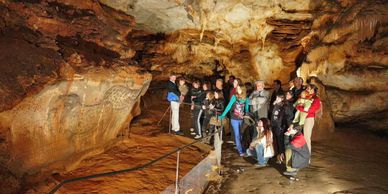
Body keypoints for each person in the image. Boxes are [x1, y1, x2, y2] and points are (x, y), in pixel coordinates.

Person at [219, 85, 250, 156]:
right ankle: (241, 151)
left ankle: (240, 146)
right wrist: (223, 115)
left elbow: (247, 109)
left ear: (243, 90)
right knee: (237, 134)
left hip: (241, 119)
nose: (237, 90)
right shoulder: (234, 97)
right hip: (234, 119)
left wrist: (246, 115)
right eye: (237, 89)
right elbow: (229, 106)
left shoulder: (246, 99)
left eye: (239, 89)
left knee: (241, 134)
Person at [294, 84, 321, 155]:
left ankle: (307, 156)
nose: (307, 89)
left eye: (309, 88)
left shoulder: (316, 99)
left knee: (306, 137)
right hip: (300, 118)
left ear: (313, 90)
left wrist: (300, 108)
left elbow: (311, 109)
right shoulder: (305, 96)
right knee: (299, 136)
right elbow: (298, 103)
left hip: (309, 118)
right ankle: (300, 153)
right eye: (307, 88)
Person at [270, 93, 286, 164]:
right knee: (275, 141)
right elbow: (270, 112)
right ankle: (277, 156)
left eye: (278, 98)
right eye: (276, 98)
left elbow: (281, 117)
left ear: (282, 99)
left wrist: (280, 126)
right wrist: (273, 105)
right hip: (274, 124)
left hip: (279, 126)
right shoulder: (275, 105)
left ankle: (281, 157)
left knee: (280, 142)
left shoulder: (282, 106)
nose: (276, 100)